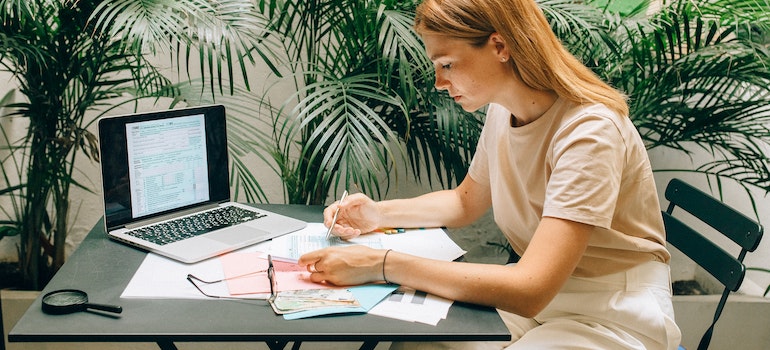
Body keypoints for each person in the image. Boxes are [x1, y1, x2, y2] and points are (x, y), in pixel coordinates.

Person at [297, 0, 682, 348]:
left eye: (447, 64)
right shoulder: (503, 111)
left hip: (610, 313)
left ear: (500, 46)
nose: (439, 83)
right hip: (542, 305)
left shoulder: (590, 132)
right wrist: (378, 214)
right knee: (417, 341)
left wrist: (380, 265)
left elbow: (531, 289)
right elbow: (465, 202)